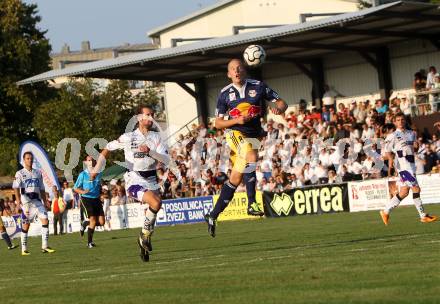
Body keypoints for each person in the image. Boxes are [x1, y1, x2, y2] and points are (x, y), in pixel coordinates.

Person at [204, 58, 287, 237]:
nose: (236, 71)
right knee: (251, 158)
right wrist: (236, 120)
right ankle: (251, 203)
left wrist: (279, 109)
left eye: (239, 68)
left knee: (235, 178)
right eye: (233, 69)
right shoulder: (224, 93)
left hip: (254, 135)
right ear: (228, 74)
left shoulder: (258, 86)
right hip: (234, 133)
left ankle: (212, 215)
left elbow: (281, 102)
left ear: (245, 70)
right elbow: (217, 123)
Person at [93, 105, 169, 262]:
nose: (150, 118)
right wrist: (97, 168)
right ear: (138, 118)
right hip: (134, 179)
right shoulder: (128, 137)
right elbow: (108, 147)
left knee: (152, 211)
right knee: (156, 203)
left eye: (152, 115)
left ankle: (144, 243)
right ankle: (144, 236)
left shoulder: (157, 138)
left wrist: (150, 152)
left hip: (152, 180)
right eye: (147, 115)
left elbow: (165, 159)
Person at [380, 113, 437, 225]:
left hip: (411, 166)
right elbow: (387, 152)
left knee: (404, 192)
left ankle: (385, 211)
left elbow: (412, 149)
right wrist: (391, 163)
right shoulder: (392, 136)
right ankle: (423, 216)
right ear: (395, 122)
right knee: (416, 189)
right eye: (398, 120)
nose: (400, 121)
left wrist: (415, 147)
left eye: (402, 119)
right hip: (403, 168)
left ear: (405, 121)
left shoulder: (412, 134)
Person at [13, 152, 55, 255]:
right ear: (24, 160)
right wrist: (18, 202)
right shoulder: (20, 173)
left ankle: (45, 246)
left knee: (45, 220)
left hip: (37, 201)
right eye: (27, 158)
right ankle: (24, 249)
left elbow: (41, 188)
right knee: (26, 226)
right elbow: (15, 187)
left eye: (31, 158)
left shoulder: (38, 172)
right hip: (26, 202)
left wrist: (45, 201)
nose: (30, 160)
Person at [74, 155, 105, 248]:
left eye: (92, 160)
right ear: (86, 162)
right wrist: (83, 191)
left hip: (96, 199)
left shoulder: (99, 173)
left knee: (102, 222)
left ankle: (85, 223)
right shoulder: (82, 174)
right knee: (93, 220)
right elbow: (75, 188)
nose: (91, 162)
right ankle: (89, 243)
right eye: (89, 160)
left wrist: (101, 193)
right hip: (86, 198)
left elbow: (98, 185)